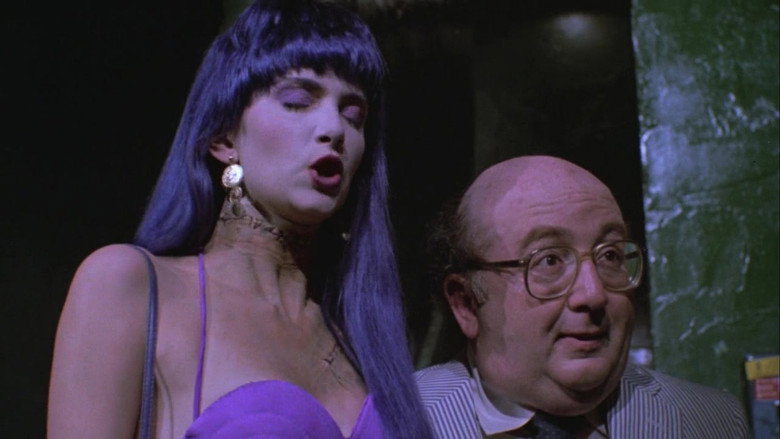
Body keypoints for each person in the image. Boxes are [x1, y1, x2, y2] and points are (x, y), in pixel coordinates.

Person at [48, 1, 432, 437]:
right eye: (297, 101)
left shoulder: (363, 333)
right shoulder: (128, 286)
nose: (333, 129)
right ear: (223, 137)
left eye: (353, 115)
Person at [416, 156, 749, 438]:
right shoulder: (396, 422)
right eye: (548, 261)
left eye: (610, 256)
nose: (594, 294)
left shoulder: (713, 421)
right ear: (466, 304)